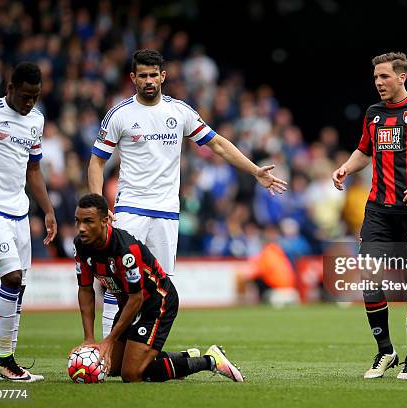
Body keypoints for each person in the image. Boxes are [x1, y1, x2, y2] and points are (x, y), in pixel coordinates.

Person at [88, 49, 287, 337]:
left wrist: (255, 170)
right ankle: (107, 352)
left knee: (159, 288)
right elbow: (96, 161)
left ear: (163, 76)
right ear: (133, 78)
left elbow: (217, 144)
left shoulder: (179, 112)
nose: (148, 81)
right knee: (119, 281)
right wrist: (97, 203)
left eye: (153, 75)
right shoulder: (120, 114)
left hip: (167, 213)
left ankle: (145, 352)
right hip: (130, 209)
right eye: (142, 75)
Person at [332, 52, 407, 380]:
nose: (379, 83)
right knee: (369, 277)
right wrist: (346, 166)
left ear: (402, 77)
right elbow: (364, 151)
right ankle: (386, 351)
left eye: (384, 77)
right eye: (375, 78)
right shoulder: (373, 114)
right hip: (378, 211)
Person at [72, 194, 244, 383]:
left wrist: (109, 340)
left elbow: (137, 298)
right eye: (78, 221)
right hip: (130, 304)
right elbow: (85, 290)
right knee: (111, 367)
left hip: (157, 303)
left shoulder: (125, 250)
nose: (81, 228)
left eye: (88, 222)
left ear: (105, 221)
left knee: (131, 374)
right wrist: (89, 338)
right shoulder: (81, 246)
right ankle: (183, 358)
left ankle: (210, 361)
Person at [0, 62, 57, 382]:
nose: (30, 102)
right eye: (26, 96)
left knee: (20, 285)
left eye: (36, 96)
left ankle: (9, 362)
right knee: (12, 278)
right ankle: (4, 360)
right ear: (10, 89)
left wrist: (47, 210)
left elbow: (33, 170)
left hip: (20, 211)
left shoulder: (37, 121)